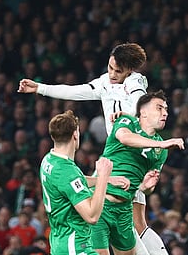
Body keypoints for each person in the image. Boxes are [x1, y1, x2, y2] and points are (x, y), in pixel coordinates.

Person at [19, 43, 170, 255]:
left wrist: (128, 116)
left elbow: (140, 107)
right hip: (119, 156)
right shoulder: (105, 82)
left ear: (129, 70)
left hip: (127, 158)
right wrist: (40, 88)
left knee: (117, 217)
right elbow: (77, 91)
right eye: (110, 67)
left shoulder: (135, 87)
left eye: (118, 71)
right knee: (135, 221)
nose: (112, 74)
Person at [91, 90, 184, 255]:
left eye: (166, 109)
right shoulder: (127, 121)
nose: (165, 113)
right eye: (159, 108)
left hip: (124, 210)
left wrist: (146, 186)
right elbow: (125, 138)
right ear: (143, 112)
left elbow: (145, 190)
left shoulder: (161, 150)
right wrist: (160, 145)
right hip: (100, 204)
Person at [40, 110, 128, 254]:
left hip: (60, 241)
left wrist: (104, 180)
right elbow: (92, 216)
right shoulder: (67, 171)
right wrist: (104, 177)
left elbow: (72, 184)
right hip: (75, 245)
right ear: (75, 134)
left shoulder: (49, 159)